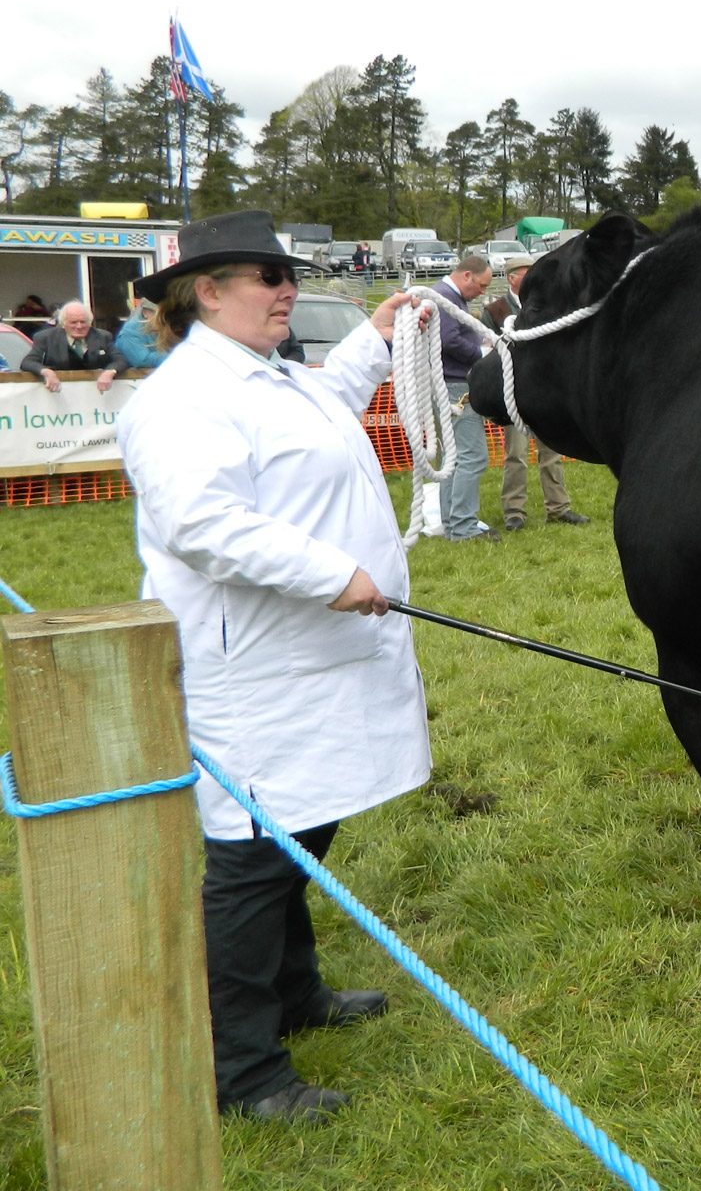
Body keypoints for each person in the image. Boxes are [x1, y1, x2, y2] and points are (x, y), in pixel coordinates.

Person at [116, 209, 433, 1126]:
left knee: (303, 828)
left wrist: (377, 341)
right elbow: (201, 525)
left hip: (315, 656)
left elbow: (324, 409)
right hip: (257, 667)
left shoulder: (264, 374)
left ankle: (297, 993)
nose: (286, 287)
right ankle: (241, 1068)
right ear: (205, 292)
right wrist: (335, 575)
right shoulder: (180, 400)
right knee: (256, 857)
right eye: (266, 275)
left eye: (286, 273)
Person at [481, 255, 589, 531]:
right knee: (515, 454)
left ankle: (558, 507)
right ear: (512, 278)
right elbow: (490, 349)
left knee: (552, 450)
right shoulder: (495, 310)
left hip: (544, 390)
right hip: (513, 392)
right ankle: (514, 511)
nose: (532, 277)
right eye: (526, 272)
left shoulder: (545, 305)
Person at [433, 255, 497, 543]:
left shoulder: (445, 295)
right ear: (467, 275)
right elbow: (448, 341)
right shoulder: (446, 297)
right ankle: (463, 526)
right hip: (456, 387)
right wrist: (481, 355)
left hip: (448, 384)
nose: (482, 292)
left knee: (455, 458)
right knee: (473, 456)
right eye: (482, 285)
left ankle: (453, 522)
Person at [20, 300, 128, 394]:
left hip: (96, 397)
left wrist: (110, 372)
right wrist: (46, 372)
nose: (79, 326)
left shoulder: (103, 336)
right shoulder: (45, 338)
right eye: (73, 322)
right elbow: (28, 362)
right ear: (63, 324)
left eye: (83, 322)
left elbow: (121, 360)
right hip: (57, 397)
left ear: (90, 322)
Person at [116, 297, 170, 368]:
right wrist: (176, 356)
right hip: (136, 377)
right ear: (145, 313)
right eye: (160, 315)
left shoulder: (162, 328)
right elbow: (142, 360)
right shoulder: (131, 329)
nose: (164, 319)